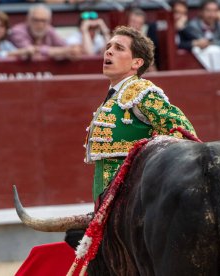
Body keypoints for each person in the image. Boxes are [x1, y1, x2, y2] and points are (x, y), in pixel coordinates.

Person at [84, 26, 197, 202]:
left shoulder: (140, 92)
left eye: (119, 48)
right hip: (113, 195)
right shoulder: (116, 95)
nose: (109, 52)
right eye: (108, 47)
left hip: (133, 197)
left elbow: (183, 133)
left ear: (136, 63)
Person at [10, 4, 81, 60]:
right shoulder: (17, 31)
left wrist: (71, 50)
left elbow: (64, 46)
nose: (40, 24)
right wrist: (62, 51)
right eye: (36, 20)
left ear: (49, 22)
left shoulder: (49, 30)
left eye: (43, 21)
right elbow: (32, 51)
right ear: (28, 20)